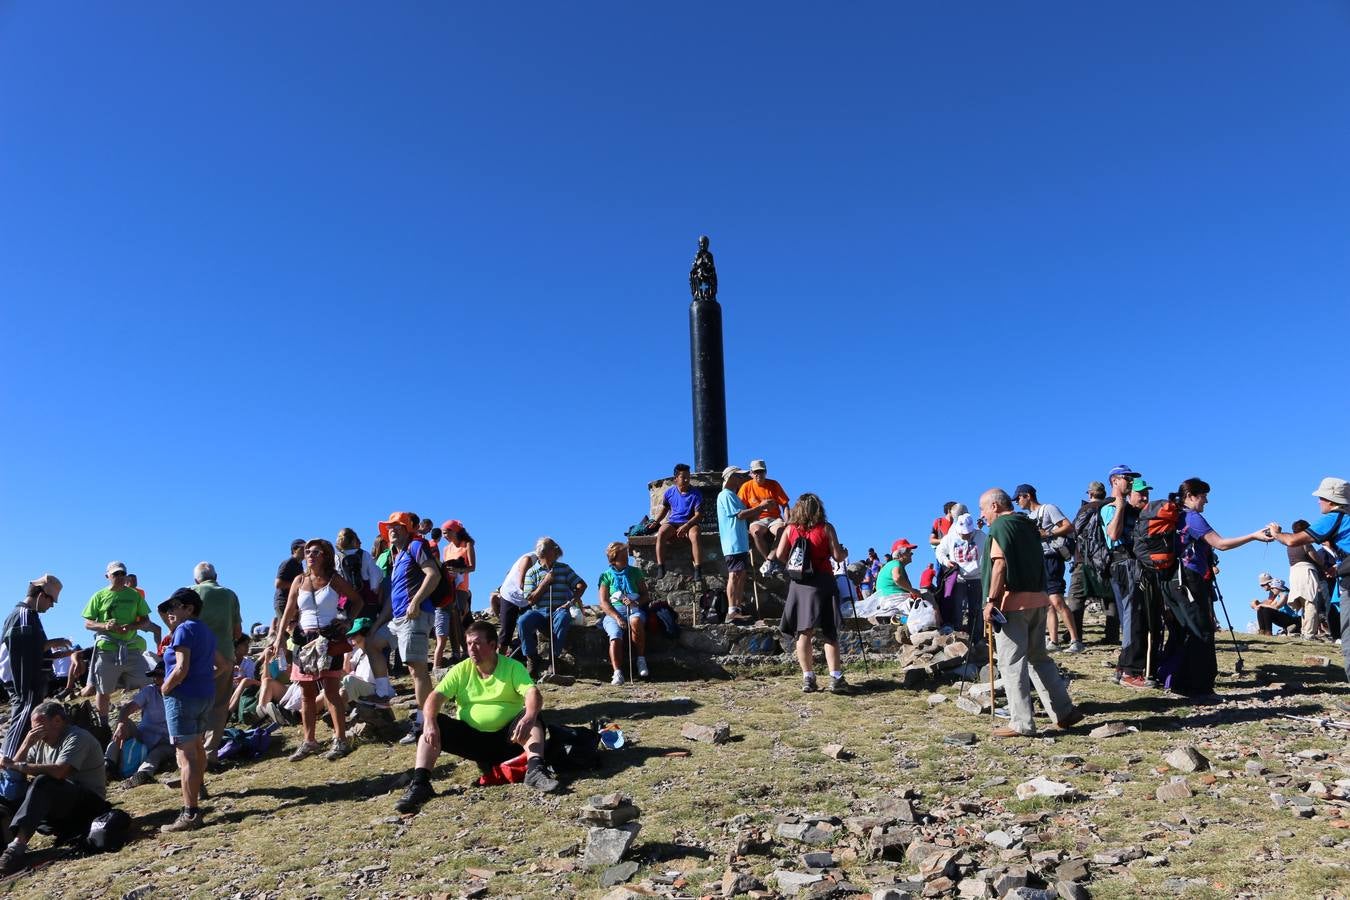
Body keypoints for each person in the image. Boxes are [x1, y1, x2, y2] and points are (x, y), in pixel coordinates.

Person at [395, 620, 558, 813]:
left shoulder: (512, 667)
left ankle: (535, 770)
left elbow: (532, 693)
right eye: (469, 643)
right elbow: (434, 698)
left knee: (533, 719)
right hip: (472, 740)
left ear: (493, 645)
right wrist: (430, 722)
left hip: (510, 739)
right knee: (430, 723)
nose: (472, 648)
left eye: (477, 643)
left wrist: (530, 715)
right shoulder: (461, 669)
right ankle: (420, 784)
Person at [978, 488, 1082, 738]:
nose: (982, 515)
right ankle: (1064, 711)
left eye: (983, 509)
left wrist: (991, 600)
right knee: (1039, 657)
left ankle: (1021, 723)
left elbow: (1000, 564)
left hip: (1012, 602)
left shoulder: (1001, 528)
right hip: (1038, 598)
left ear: (994, 506)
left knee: (1012, 662)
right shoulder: (1028, 524)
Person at [1156, 477, 1271, 699]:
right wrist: (1254, 536)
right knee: (1202, 631)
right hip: (1188, 580)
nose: (1206, 501)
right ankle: (1201, 688)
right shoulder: (1192, 517)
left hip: (1171, 580)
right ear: (1191, 496)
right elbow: (1221, 544)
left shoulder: (1175, 516)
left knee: (1184, 631)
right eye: (1203, 496)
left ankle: (1177, 682)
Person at [273, 539, 365, 761]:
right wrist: (279, 638)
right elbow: (288, 610)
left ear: (325, 555)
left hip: (328, 637)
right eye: (308, 551)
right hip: (304, 638)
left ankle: (340, 739)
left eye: (316, 551)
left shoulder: (334, 579)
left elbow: (357, 600)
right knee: (306, 693)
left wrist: (347, 621)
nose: (310, 555)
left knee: (331, 690)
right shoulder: (299, 580)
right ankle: (309, 741)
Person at [0, 701, 109, 874]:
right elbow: (13, 770)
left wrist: (19, 766)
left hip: (89, 806)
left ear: (57, 720)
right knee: (9, 796)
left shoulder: (77, 737)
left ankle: (17, 847)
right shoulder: (40, 742)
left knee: (43, 782)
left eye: (39, 725)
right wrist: (26, 744)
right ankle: (4, 847)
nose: (35, 731)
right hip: (62, 808)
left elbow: (60, 772)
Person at [1266, 478, 1350, 685]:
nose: (1318, 502)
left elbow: (1293, 540)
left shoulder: (1334, 516)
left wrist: (1276, 533)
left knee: (1348, 633)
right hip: (1343, 571)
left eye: (1321, 498)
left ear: (1331, 500)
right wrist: (1337, 568)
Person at [159, 587, 226, 832]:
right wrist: (205, 678)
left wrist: (166, 687)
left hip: (182, 697)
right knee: (197, 749)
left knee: (185, 756)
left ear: (189, 608)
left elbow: (181, 667)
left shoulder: (184, 630)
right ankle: (197, 792)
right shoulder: (205, 630)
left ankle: (190, 813)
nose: (170, 612)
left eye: (174, 606)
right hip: (204, 695)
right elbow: (224, 664)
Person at [768, 493, 850, 694]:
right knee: (829, 632)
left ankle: (808, 678)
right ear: (819, 509)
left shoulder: (790, 529)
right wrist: (845, 552)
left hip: (800, 583)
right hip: (823, 581)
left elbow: (779, 555)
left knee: (803, 631)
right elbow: (838, 556)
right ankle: (836, 677)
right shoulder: (826, 528)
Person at [380, 512, 442, 745]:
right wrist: (379, 623)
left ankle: (425, 722)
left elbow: (433, 574)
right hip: (398, 619)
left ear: (408, 529)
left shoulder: (416, 546)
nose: (392, 530)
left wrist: (415, 601)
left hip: (415, 616)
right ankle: (381, 695)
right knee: (373, 644)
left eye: (397, 527)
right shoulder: (399, 554)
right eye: (389, 527)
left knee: (417, 671)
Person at [1, 576, 66, 790]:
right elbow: (22, 653)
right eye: (51, 601)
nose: (51, 606)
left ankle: (12, 774)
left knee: (23, 718)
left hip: (26, 681)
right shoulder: (25, 616)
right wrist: (27, 687)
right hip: (25, 681)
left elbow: (33, 650)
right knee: (22, 718)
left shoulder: (27, 616)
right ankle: (9, 776)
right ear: (41, 594)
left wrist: (53, 652)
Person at [1101, 468, 1159, 686]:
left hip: (1132, 565)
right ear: (1115, 481)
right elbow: (1113, 535)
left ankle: (1123, 668)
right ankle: (1130, 672)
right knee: (1133, 616)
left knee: (1133, 616)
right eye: (1128, 478)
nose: (1130, 482)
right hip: (1123, 564)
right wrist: (1119, 508)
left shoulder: (1132, 509)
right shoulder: (1110, 507)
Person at [1013, 484, 1084, 653]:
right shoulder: (1029, 516)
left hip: (1052, 558)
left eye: (1018, 498)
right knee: (1047, 603)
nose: (1017, 502)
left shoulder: (1048, 509)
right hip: (1040, 560)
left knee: (1056, 600)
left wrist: (1048, 534)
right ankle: (1054, 641)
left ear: (1027, 496)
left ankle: (1076, 640)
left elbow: (1068, 526)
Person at [82, 561, 155, 721]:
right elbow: (87, 623)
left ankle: (148, 719)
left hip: (130, 648)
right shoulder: (99, 596)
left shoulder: (134, 595)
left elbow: (145, 620)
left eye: (123, 573)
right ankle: (104, 725)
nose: (120, 577)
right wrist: (105, 625)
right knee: (103, 690)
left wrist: (131, 626)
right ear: (107, 576)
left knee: (148, 681)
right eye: (116, 574)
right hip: (106, 649)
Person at [190, 561, 242, 769]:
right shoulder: (229, 595)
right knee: (219, 707)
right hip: (225, 654)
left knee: (195, 706)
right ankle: (210, 754)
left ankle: (193, 753)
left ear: (196, 579)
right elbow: (238, 632)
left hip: (195, 657)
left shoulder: (189, 593)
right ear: (216, 576)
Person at [335, 528, 393, 701]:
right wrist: (374, 593)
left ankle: (353, 671)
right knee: (371, 637)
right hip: (367, 601)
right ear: (354, 540)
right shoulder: (364, 555)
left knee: (352, 635)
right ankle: (379, 679)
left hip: (348, 602)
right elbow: (375, 575)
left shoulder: (338, 557)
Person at [519, 538, 587, 678]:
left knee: (564, 618)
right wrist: (545, 583)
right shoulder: (532, 572)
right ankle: (531, 658)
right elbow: (530, 600)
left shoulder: (564, 568)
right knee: (523, 621)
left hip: (558, 609)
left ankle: (554, 659)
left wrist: (571, 602)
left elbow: (581, 585)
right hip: (538, 611)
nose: (556, 551)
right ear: (544, 552)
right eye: (553, 548)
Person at [107, 660, 174, 788]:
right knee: (123, 723)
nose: (156, 680)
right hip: (143, 735)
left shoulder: (179, 693)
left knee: (156, 754)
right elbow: (127, 709)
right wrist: (121, 725)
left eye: (160, 676)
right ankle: (108, 764)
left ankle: (143, 774)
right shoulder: (149, 691)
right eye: (155, 676)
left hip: (166, 740)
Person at [1068, 481, 1117, 644]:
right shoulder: (1111, 508)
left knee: (1076, 598)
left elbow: (1074, 532)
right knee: (1110, 599)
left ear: (1090, 494)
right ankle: (1112, 636)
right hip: (1107, 559)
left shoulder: (1085, 509)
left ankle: (1075, 636)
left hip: (1083, 560)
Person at [597, 542, 651, 685]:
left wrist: (636, 603)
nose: (626, 557)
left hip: (634, 610)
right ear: (614, 557)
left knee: (636, 621)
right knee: (615, 635)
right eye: (622, 555)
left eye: (626, 554)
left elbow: (645, 595)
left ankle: (641, 660)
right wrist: (617, 617)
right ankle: (617, 673)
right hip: (613, 613)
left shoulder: (635, 572)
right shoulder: (605, 576)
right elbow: (603, 602)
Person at [716, 466, 758, 619]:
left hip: (739, 542)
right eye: (739, 476)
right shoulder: (725, 495)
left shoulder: (733, 496)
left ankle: (737, 609)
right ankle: (732, 610)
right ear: (731, 477)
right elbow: (740, 515)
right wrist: (761, 507)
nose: (742, 479)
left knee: (741, 573)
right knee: (734, 574)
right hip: (733, 542)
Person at [934, 513, 986, 637]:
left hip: (977, 578)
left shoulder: (981, 536)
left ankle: (976, 639)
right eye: (963, 533)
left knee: (976, 610)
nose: (965, 535)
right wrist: (946, 561)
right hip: (959, 578)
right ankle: (957, 637)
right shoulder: (950, 537)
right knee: (957, 609)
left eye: (968, 533)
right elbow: (939, 551)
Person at [434, 520, 476, 667]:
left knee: (459, 616)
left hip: (462, 586)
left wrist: (458, 570)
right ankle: (455, 652)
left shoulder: (467, 544)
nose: (444, 536)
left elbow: (473, 567)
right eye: (443, 533)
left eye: (446, 532)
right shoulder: (446, 549)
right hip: (450, 585)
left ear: (455, 531)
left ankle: (465, 651)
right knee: (451, 618)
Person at [653, 464, 704, 580]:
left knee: (695, 535)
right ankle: (661, 566)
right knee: (661, 533)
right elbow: (665, 509)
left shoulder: (696, 494)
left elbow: (699, 515)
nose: (686, 480)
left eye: (688, 477)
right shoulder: (669, 493)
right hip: (673, 522)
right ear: (676, 478)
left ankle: (698, 569)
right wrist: (656, 521)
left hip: (690, 522)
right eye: (683, 477)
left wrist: (686, 526)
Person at [1286, 518, 1334, 640]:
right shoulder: (1304, 542)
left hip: (1294, 572)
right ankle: (1309, 633)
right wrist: (1324, 567)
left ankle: (1305, 630)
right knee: (1311, 602)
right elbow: (1315, 557)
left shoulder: (1290, 544)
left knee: (1303, 603)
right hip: (1306, 571)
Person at [738, 459, 790, 561]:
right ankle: (767, 559)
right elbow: (740, 510)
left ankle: (770, 559)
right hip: (757, 519)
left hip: (774, 518)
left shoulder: (774, 484)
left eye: (761, 471)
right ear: (751, 473)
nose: (758, 474)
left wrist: (787, 521)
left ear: (765, 472)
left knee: (782, 531)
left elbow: (785, 505)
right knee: (756, 533)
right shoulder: (746, 487)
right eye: (756, 472)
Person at [493, 552, 537, 656]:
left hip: (527, 598)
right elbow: (522, 584)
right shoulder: (529, 559)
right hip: (511, 595)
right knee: (506, 630)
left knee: (529, 628)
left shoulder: (547, 564)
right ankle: (499, 661)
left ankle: (529, 659)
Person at [872, 539, 922, 619]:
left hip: (887, 601)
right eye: (909, 551)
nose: (912, 553)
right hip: (894, 600)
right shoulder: (896, 563)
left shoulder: (890, 565)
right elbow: (897, 578)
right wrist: (912, 590)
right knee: (927, 595)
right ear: (900, 554)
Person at [273, 539, 306, 633]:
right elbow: (278, 584)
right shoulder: (289, 563)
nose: (305, 551)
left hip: (292, 602)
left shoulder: (299, 565)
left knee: (292, 629)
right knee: (284, 630)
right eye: (303, 548)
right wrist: (297, 584)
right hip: (283, 601)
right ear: (295, 549)